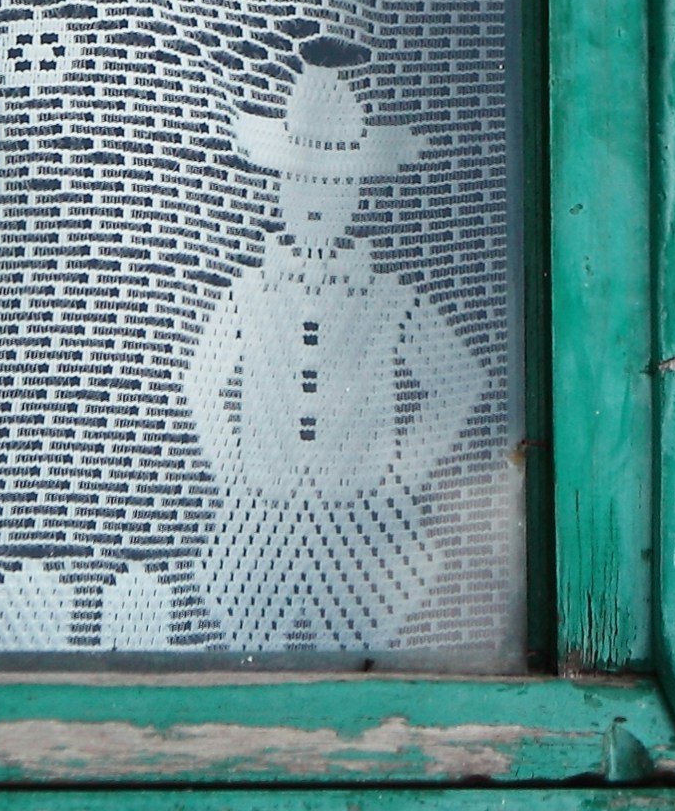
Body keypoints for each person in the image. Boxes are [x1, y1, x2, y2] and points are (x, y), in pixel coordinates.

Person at [183, 33, 485, 654]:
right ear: (278, 188)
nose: (317, 198)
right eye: (300, 182)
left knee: (362, 666)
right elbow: (201, 380)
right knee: (244, 662)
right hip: (258, 525)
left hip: (358, 530)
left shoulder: (386, 297)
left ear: (355, 194)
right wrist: (233, 469)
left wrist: (401, 472)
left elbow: (458, 380)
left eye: (335, 184)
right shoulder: (250, 291)